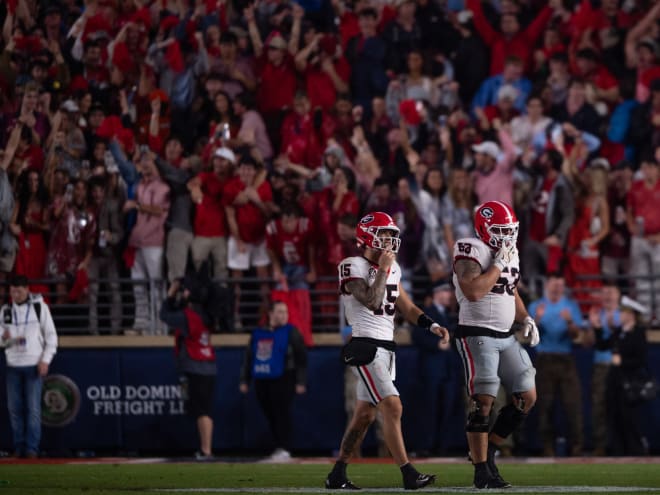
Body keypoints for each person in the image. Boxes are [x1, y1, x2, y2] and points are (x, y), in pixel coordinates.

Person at [326, 211, 448, 490]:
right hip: (366, 344)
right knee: (393, 406)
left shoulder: (393, 267)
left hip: (386, 346)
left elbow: (406, 306)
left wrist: (432, 326)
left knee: (365, 415)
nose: (390, 240)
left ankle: (337, 474)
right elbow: (372, 300)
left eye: (393, 235)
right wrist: (382, 268)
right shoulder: (352, 264)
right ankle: (408, 473)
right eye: (385, 234)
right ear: (368, 236)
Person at [452, 201, 539, 489]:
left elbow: (510, 290)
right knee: (483, 401)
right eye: (500, 230)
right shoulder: (471, 248)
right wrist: (499, 263)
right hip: (476, 332)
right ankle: (480, 471)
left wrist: (526, 318)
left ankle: (488, 450)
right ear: (483, 229)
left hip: (505, 335)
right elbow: (474, 291)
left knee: (527, 395)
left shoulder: (507, 253)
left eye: (510, 230)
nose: (507, 236)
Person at [239, 300, 307, 463]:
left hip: (284, 378)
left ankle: (284, 448)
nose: (284, 315)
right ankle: (278, 446)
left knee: (281, 413)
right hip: (262, 379)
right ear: (270, 314)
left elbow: (301, 358)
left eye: (285, 312)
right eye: (280, 312)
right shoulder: (258, 333)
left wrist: (301, 381)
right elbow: (249, 357)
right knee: (269, 414)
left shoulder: (292, 332)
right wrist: (245, 380)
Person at [159, 277, 217, 461]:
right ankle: (205, 449)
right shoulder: (205, 313)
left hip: (196, 366)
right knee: (202, 409)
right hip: (207, 365)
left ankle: (206, 451)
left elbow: (164, 315)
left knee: (202, 410)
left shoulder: (189, 316)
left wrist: (170, 293)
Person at [528, 272, 586, 457]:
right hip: (544, 359)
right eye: (554, 285)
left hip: (565, 359)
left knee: (573, 405)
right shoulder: (536, 306)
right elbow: (527, 337)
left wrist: (569, 321)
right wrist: (536, 320)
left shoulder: (571, 306)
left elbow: (577, 337)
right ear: (547, 286)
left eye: (560, 286)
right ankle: (548, 448)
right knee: (545, 405)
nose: (557, 288)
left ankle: (576, 448)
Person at [1, 274, 58, 458]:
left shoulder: (40, 308)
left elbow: (51, 337)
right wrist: (4, 339)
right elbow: (1, 341)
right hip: (12, 365)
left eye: (18, 291)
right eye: (12, 291)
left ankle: (32, 449)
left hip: (34, 364)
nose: (15, 294)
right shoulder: (5, 311)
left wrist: (45, 360)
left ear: (27, 289)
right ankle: (19, 448)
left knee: (33, 409)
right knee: (14, 409)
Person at [593, 295, 652, 456]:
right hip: (615, 381)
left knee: (629, 419)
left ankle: (635, 450)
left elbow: (640, 359)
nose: (621, 315)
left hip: (629, 382)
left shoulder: (638, 333)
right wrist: (598, 328)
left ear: (631, 314)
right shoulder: (619, 331)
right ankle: (619, 451)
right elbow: (602, 345)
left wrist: (622, 361)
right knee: (614, 416)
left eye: (624, 312)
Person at [410, 282, 459, 456]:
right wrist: (436, 344)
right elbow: (416, 336)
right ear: (437, 293)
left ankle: (441, 445)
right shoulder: (427, 313)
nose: (449, 295)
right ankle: (426, 445)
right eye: (446, 291)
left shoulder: (448, 314)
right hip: (432, 369)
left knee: (446, 409)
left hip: (447, 369)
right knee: (429, 409)